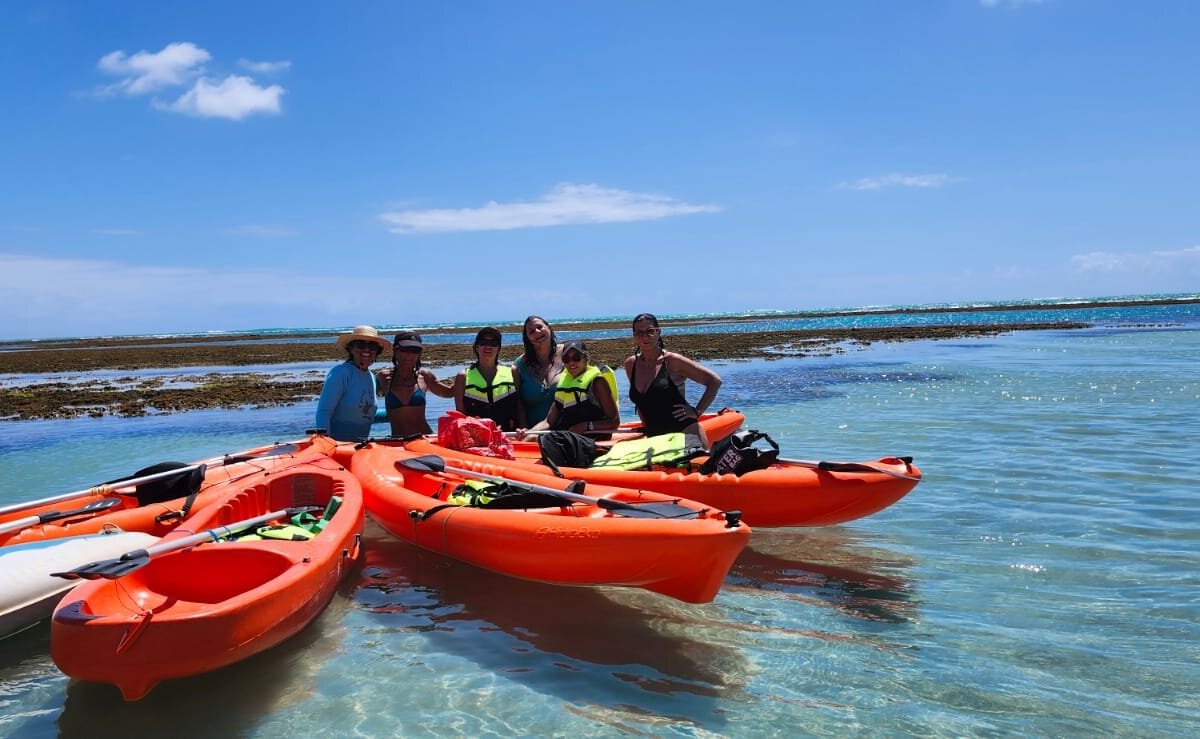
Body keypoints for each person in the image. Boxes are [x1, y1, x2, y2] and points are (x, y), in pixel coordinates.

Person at [624, 313, 722, 440]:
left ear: (659, 332)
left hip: (685, 434)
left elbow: (714, 381)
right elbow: (642, 404)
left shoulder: (672, 361)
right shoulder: (631, 364)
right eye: (639, 333)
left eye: (650, 331)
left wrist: (696, 412)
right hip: (656, 439)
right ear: (634, 336)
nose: (645, 336)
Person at [522, 340, 619, 436]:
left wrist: (586, 426)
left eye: (576, 358)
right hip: (568, 436)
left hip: (591, 439)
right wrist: (529, 432)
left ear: (586, 358)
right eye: (566, 359)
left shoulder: (597, 382)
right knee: (531, 437)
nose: (571, 363)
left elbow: (614, 422)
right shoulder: (565, 382)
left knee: (535, 439)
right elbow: (548, 422)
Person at [314, 325, 389, 441]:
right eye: (361, 345)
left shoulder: (371, 377)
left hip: (358, 448)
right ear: (351, 348)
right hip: (337, 449)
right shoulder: (340, 373)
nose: (367, 349)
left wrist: (398, 413)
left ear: (377, 351)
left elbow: (364, 414)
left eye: (372, 346)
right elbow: (324, 412)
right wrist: (325, 443)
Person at [376, 331, 454, 438]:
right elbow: (363, 401)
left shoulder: (425, 376)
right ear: (395, 349)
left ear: (419, 354)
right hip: (397, 442)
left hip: (424, 439)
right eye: (404, 350)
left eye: (415, 351)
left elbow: (449, 393)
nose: (409, 355)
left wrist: (463, 377)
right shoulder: (383, 377)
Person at [452, 327, 521, 431]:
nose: (488, 346)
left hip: (509, 436)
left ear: (498, 348)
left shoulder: (512, 372)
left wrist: (524, 429)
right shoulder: (463, 377)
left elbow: (520, 407)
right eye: (483, 342)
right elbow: (460, 416)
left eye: (493, 343)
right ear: (476, 347)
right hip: (477, 439)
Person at [512, 315, 564, 426]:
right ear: (527, 338)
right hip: (533, 433)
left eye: (540, 327)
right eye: (531, 331)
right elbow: (518, 405)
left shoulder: (567, 354)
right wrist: (525, 431)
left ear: (549, 328)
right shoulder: (519, 366)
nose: (537, 332)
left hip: (567, 431)